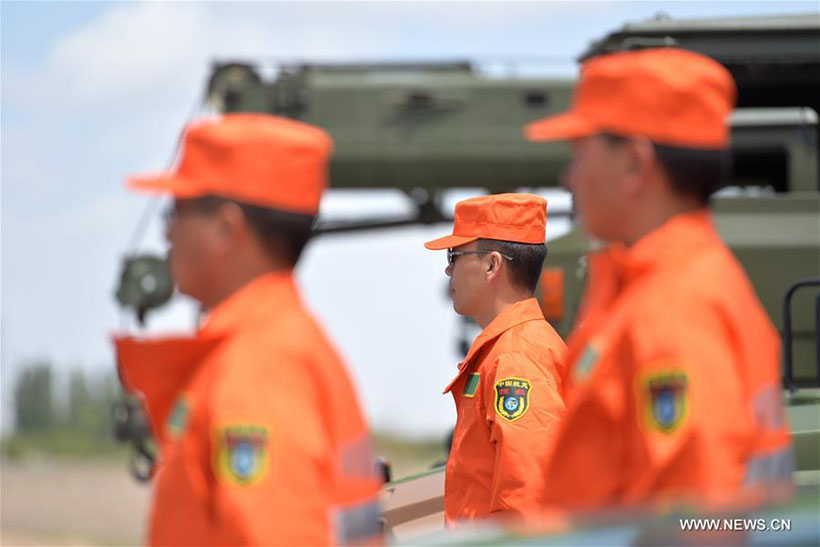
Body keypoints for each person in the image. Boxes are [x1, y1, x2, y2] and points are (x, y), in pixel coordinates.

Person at [524, 48, 793, 509]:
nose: (570, 178)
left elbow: (695, 524)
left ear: (634, 164)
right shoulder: (689, 284)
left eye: (580, 154)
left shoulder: (672, 310)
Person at [114, 113, 382, 545]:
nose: (167, 233)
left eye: (177, 211)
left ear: (226, 228)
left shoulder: (257, 366)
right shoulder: (288, 343)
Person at [424, 193, 567, 524]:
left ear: (491, 264)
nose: (448, 270)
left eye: (454, 255)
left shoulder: (517, 357)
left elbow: (526, 501)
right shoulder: (511, 349)